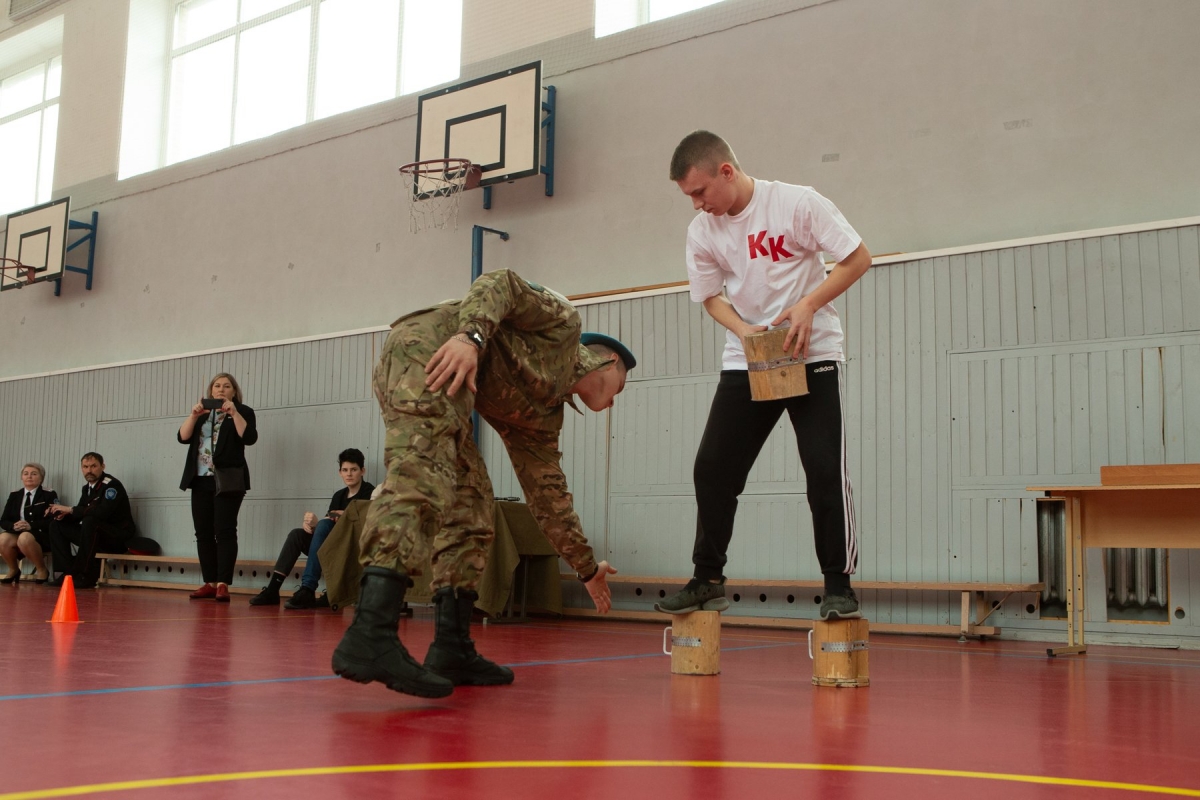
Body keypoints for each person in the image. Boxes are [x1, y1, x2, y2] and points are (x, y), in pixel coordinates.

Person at [332, 268, 632, 699]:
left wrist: (586, 567)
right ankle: (370, 633)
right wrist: (470, 338)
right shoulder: (563, 326)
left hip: (451, 386)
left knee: (472, 505)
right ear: (611, 361)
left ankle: (451, 646)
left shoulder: (544, 417)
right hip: (430, 348)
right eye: (622, 386)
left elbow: (548, 497)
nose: (616, 399)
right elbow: (500, 283)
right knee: (424, 475)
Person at [657, 130, 872, 621]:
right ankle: (707, 579)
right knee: (713, 467)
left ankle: (838, 586)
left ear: (726, 171)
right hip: (749, 357)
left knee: (823, 469)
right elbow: (710, 297)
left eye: (699, 191)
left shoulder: (796, 203)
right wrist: (744, 330)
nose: (696, 204)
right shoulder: (703, 231)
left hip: (812, 353)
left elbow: (858, 257)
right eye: (689, 196)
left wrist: (808, 305)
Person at [249, 448, 375, 608]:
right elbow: (330, 525)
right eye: (345, 470)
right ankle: (273, 590)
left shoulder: (369, 493)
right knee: (297, 534)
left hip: (352, 549)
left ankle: (308, 588)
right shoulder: (339, 495)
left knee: (324, 524)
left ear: (362, 471)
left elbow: (367, 526)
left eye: (353, 469)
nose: (349, 474)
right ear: (340, 473)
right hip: (334, 545)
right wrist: (313, 526)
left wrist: (342, 516)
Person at [178, 372, 258, 602]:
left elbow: (249, 438)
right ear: (210, 391)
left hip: (228, 479)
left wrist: (234, 413)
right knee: (203, 532)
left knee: (224, 530)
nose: (221, 389)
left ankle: (223, 583)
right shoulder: (202, 413)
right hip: (200, 478)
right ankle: (210, 582)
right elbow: (182, 437)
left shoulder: (243, 411)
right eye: (217, 386)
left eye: (226, 386)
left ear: (234, 391)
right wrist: (193, 415)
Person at [47, 453, 135, 588]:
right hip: (94, 535)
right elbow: (79, 513)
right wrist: (62, 514)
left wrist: (70, 509)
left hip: (117, 537)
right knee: (57, 525)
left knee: (90, 521)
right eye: (85, 467)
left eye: (93, 466)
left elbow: (102, 513)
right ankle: (66, 574)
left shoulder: (112, 485)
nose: (89, 470)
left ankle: (85, 575)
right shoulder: (87, 488)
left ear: (102, 466)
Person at [0, 463, 57, 584]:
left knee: (24, 537)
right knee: (2, 538)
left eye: (34, 474)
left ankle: (42, 570)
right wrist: (13, 526)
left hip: (39, 534)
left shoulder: (49, 494)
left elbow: (52, 520)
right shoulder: (15, 495)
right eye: (25, 474)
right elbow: (3, 520)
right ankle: (14, 569)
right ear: (22, 477)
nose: (29, 477)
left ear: (41, 478)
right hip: (17, 532)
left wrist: (31, 526)